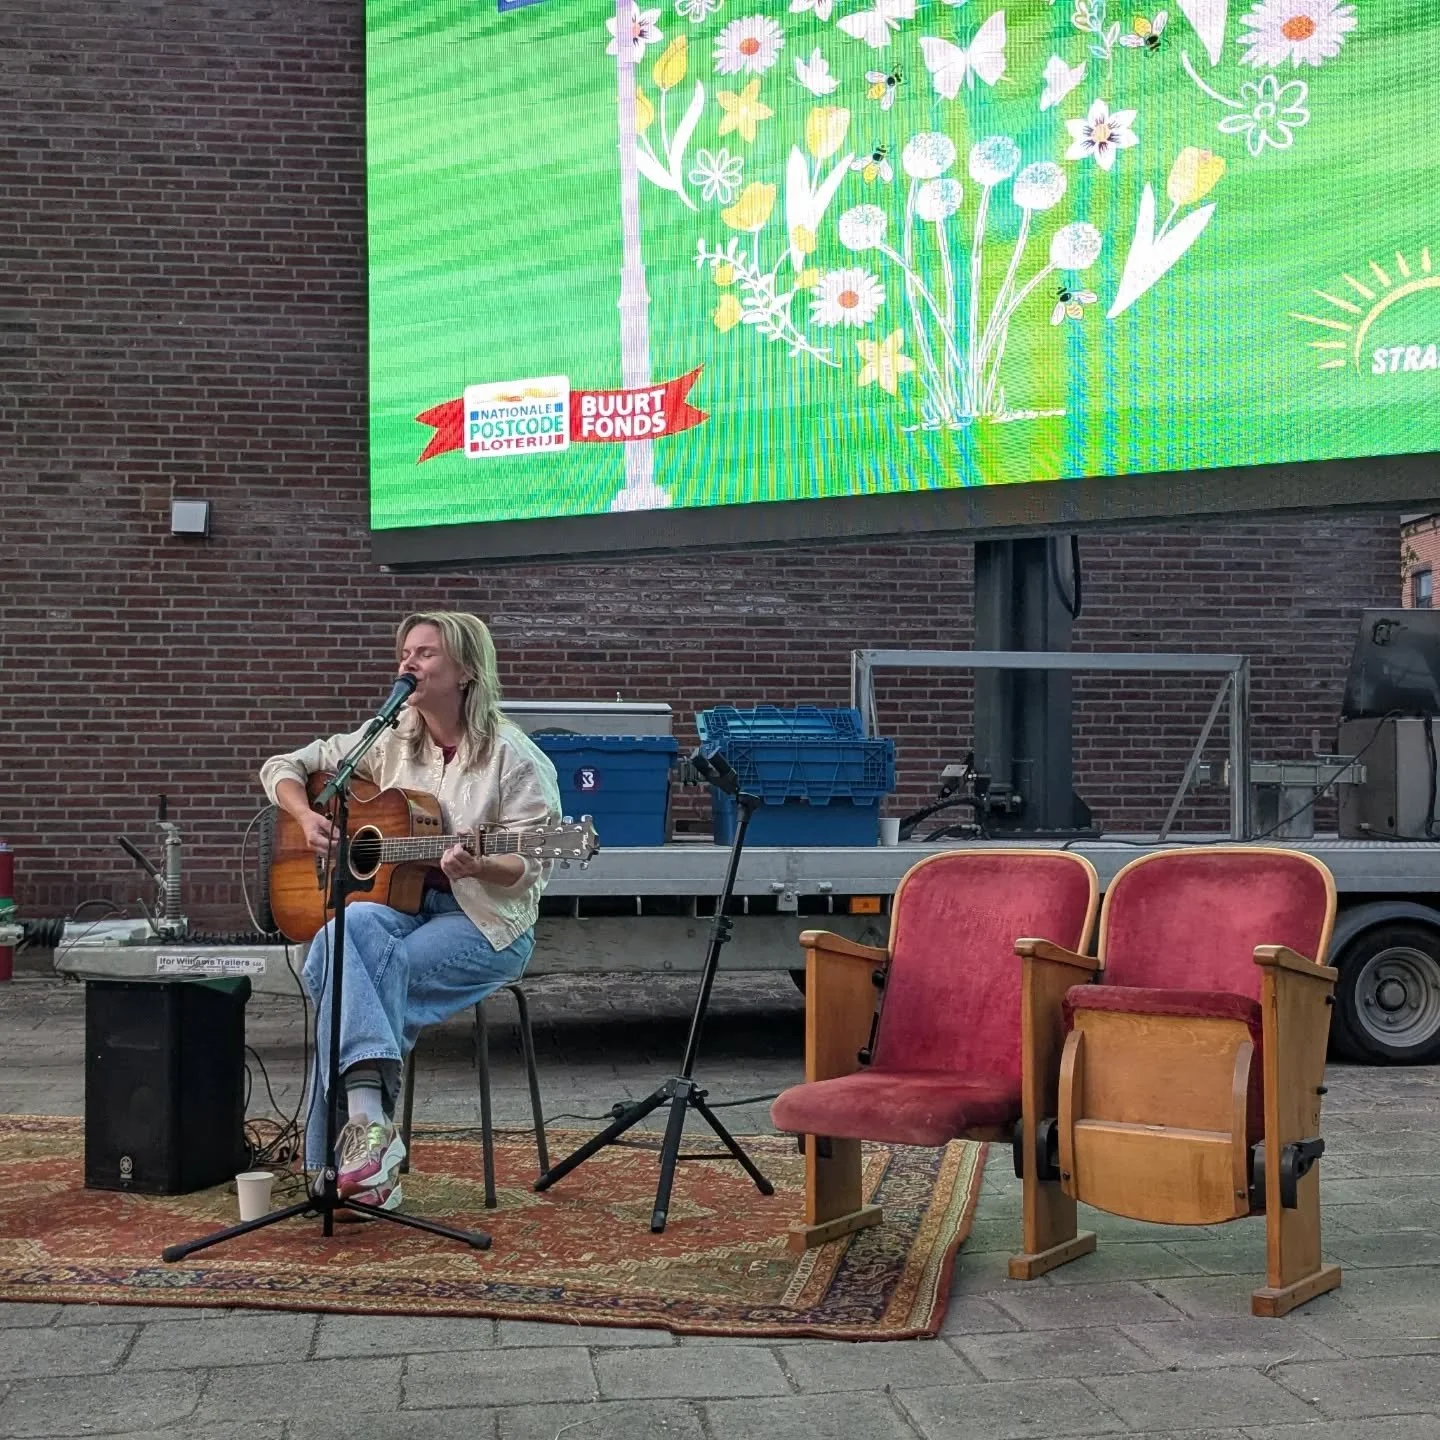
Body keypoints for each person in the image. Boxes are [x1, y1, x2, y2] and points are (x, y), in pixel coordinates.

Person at [260, 610, 561, 1211]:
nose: (408, 662)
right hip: (403, 906)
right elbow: (284, 766)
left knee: (345, 968)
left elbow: (530, 865)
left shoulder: (514, 756)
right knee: (344, 935)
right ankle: (369, 1146)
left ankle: (341, 1159)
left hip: (482, 922)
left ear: (466, 670)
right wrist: (306, 816)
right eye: (406, 652)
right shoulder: (391, 735)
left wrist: (479, 864)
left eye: (426, 653)